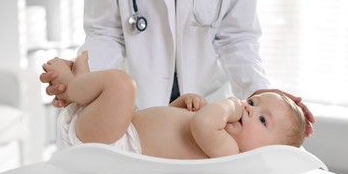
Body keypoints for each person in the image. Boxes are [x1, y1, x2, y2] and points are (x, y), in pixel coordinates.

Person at [40, 0, 315, 136]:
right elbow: (106, 32)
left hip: (208, 103)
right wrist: (82, 80)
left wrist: (261, 94)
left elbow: (237, 38)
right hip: (131, 110)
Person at [44, 51, 307, 159]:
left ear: (266, 153)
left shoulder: (230, 152)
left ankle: (72, 86)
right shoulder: (219, 129)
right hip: (120, 128)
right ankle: (81, 83)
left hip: (115, 141)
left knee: (122, 85)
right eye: (252, 102)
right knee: (120, 87)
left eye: (262, 120)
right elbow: (169, 122)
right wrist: (183, 104)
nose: (249, 109)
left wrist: (229, 104)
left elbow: (202, 123)